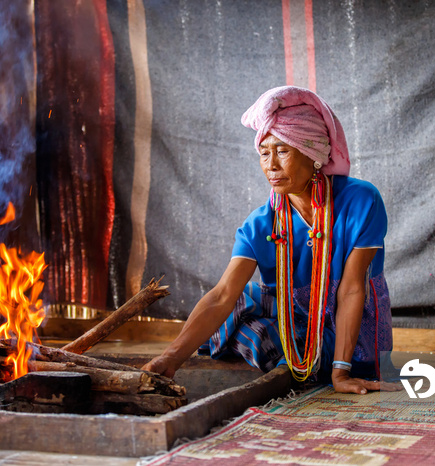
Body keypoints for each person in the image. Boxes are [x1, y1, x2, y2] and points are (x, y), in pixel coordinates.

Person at [143, 86, 396, 394]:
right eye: (264, 153)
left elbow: (352, 288)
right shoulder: (261, 223)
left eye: (283, 151)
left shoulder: (360, 201)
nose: (271, 165)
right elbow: (222, 295)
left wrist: (341, 373)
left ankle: (305, 364)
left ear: (314, 153)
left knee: (256, 335)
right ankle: (285, 359)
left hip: (345, 328)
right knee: (240, 298)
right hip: (290, 317)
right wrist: (171, 357)